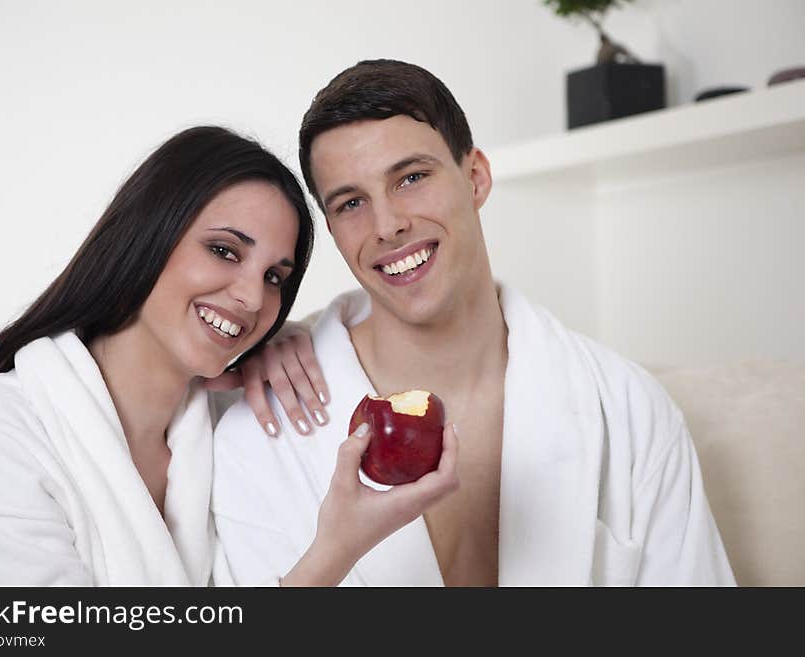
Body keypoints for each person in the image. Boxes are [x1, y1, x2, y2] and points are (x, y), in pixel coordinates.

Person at [211, 60, 737, 586]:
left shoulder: (628, 410)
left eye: (411, 177)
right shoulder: (256, 434)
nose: (388, 225)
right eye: (352, 203)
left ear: (476, 177)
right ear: (332, 229)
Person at [0, 125, 459, 586]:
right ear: (146, 236)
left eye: (275, 277)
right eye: (224, 251)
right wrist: (333, 554)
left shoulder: (223, 435)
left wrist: (290, 338)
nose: (253, 299)